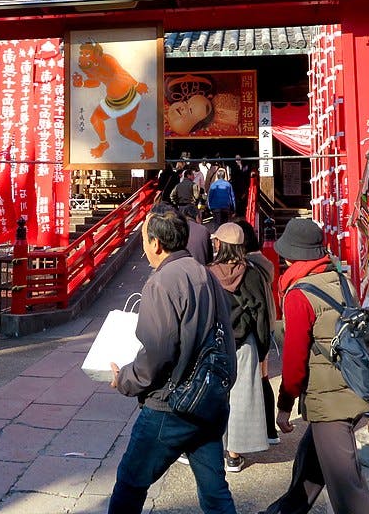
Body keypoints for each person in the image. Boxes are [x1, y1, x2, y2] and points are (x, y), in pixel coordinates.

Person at [108, 203, 237, 514]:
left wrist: (125, 379)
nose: (144, 248)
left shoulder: (163, 281)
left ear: (156, 243)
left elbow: (158, 352)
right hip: (208, 399)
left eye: (143, 241)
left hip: (171, 403)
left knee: (130, 482)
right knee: (214, 491)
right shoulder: (203, 273)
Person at [262, 218, 369, 514]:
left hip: (330, 401)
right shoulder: (342, 280)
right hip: (353, 385)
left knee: (348, 488)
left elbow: (294, 359)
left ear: (291, 255)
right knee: (310, 465)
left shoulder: (299, 294)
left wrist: (285, 403)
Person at [208, 222, 272, 472]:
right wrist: (263, 347)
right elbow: (262, 313)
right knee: (242, 396)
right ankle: (234, 453)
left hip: (216, 341)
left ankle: (214, 446)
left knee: (215, 395)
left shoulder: (208, 273)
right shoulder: (253, 273)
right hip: (245, 341)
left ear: (219, 245)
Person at [235, 217, 279, 446]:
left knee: (253, 381)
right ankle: (271, 430)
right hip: (270, 321)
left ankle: (260, 432)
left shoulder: (246, 268)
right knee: (264, 377)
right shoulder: (265, 262)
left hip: (257, 325)